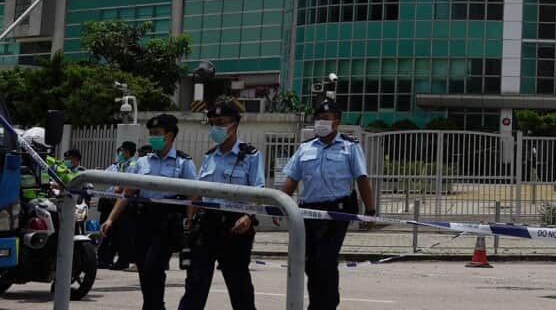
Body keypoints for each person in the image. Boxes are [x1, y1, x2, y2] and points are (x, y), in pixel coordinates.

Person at [279, 99, 377, 310]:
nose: (320, 122)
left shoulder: (350, 147)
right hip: (308, 211)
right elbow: (292, 179)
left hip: (336, 212)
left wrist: (370, 211)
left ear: (336, 122)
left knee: (326, 260)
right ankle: (317, 304)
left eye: (325, 118)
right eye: (318, 118)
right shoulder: (305, 148)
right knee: (310, 263)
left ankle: (327, 305)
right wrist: (279, 204)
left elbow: (362, 179)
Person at [102, 114, 198, 310]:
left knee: (154, 266)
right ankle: (153, 305)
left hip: (167, 221)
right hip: (142, 219)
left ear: (169, 135)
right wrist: (111, 219)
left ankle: (154, 306)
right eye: (151, 133)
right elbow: (127, 193)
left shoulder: (183, 162)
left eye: (157, 133)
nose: (153, 137)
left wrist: (190, 221)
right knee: (143, 267)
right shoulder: (142, 162)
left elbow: (193, 196)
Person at [178, 101, 264, 310]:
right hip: (207, 224)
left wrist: (248, 216)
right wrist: (190, 221)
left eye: (221, 122)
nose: (216, 127)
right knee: (195, 283)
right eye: (213, 123)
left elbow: (259, 192)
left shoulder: (250, 155)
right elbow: (198, 194)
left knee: (239, 285)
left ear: (234, 125)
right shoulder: (209, 157)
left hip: (236, 225)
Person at [98, 141, 139, 270]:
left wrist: (119, 187)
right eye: (120, 151)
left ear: (129, 152)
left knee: (123, 235)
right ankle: (105, 259)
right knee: (108, 233)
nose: (121, 153)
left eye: (123, 151)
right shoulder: (116, 165)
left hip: (124, 204)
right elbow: (104, 177)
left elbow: (127, 184)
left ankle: (122, 261)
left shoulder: (134, 165)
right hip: (110, 202)